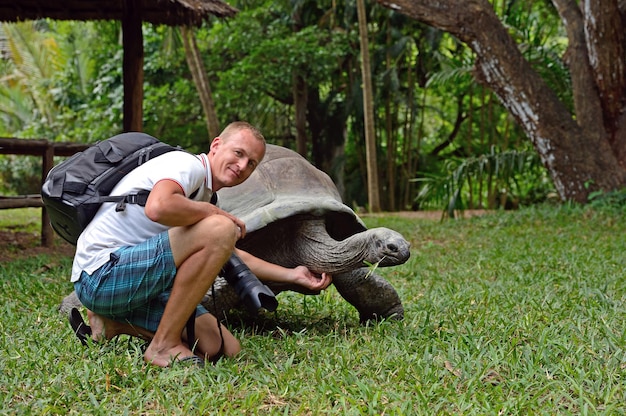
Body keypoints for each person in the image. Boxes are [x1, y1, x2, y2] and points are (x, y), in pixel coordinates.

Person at [70, 121, 333, 368]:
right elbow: (158, 206)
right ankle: (162, 346)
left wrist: (293, 275)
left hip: (134, 278)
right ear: (216, 145)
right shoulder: (188, 166)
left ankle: (110, 323)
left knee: (218, 346)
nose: (242, 165)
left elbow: (230, 253)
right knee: (221, 228)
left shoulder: (206, 196)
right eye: (238, 153)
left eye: (251, 163)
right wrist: (214, 215)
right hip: (101, 276)